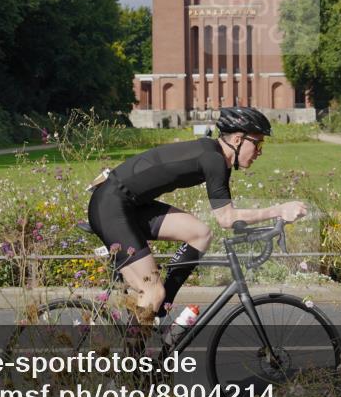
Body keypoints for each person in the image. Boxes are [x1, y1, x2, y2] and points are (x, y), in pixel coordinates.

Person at [86, 107, 308, 326]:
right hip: (111, 207)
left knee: (200, 233)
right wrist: (278, 210)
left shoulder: (217, 157)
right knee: (152, 291)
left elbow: (227, 216)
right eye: (258, 144)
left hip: (130, 205)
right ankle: (135, 347)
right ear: (238, 140)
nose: (260, 151)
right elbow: (226, 218)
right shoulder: (214, 159)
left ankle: (161, 306)